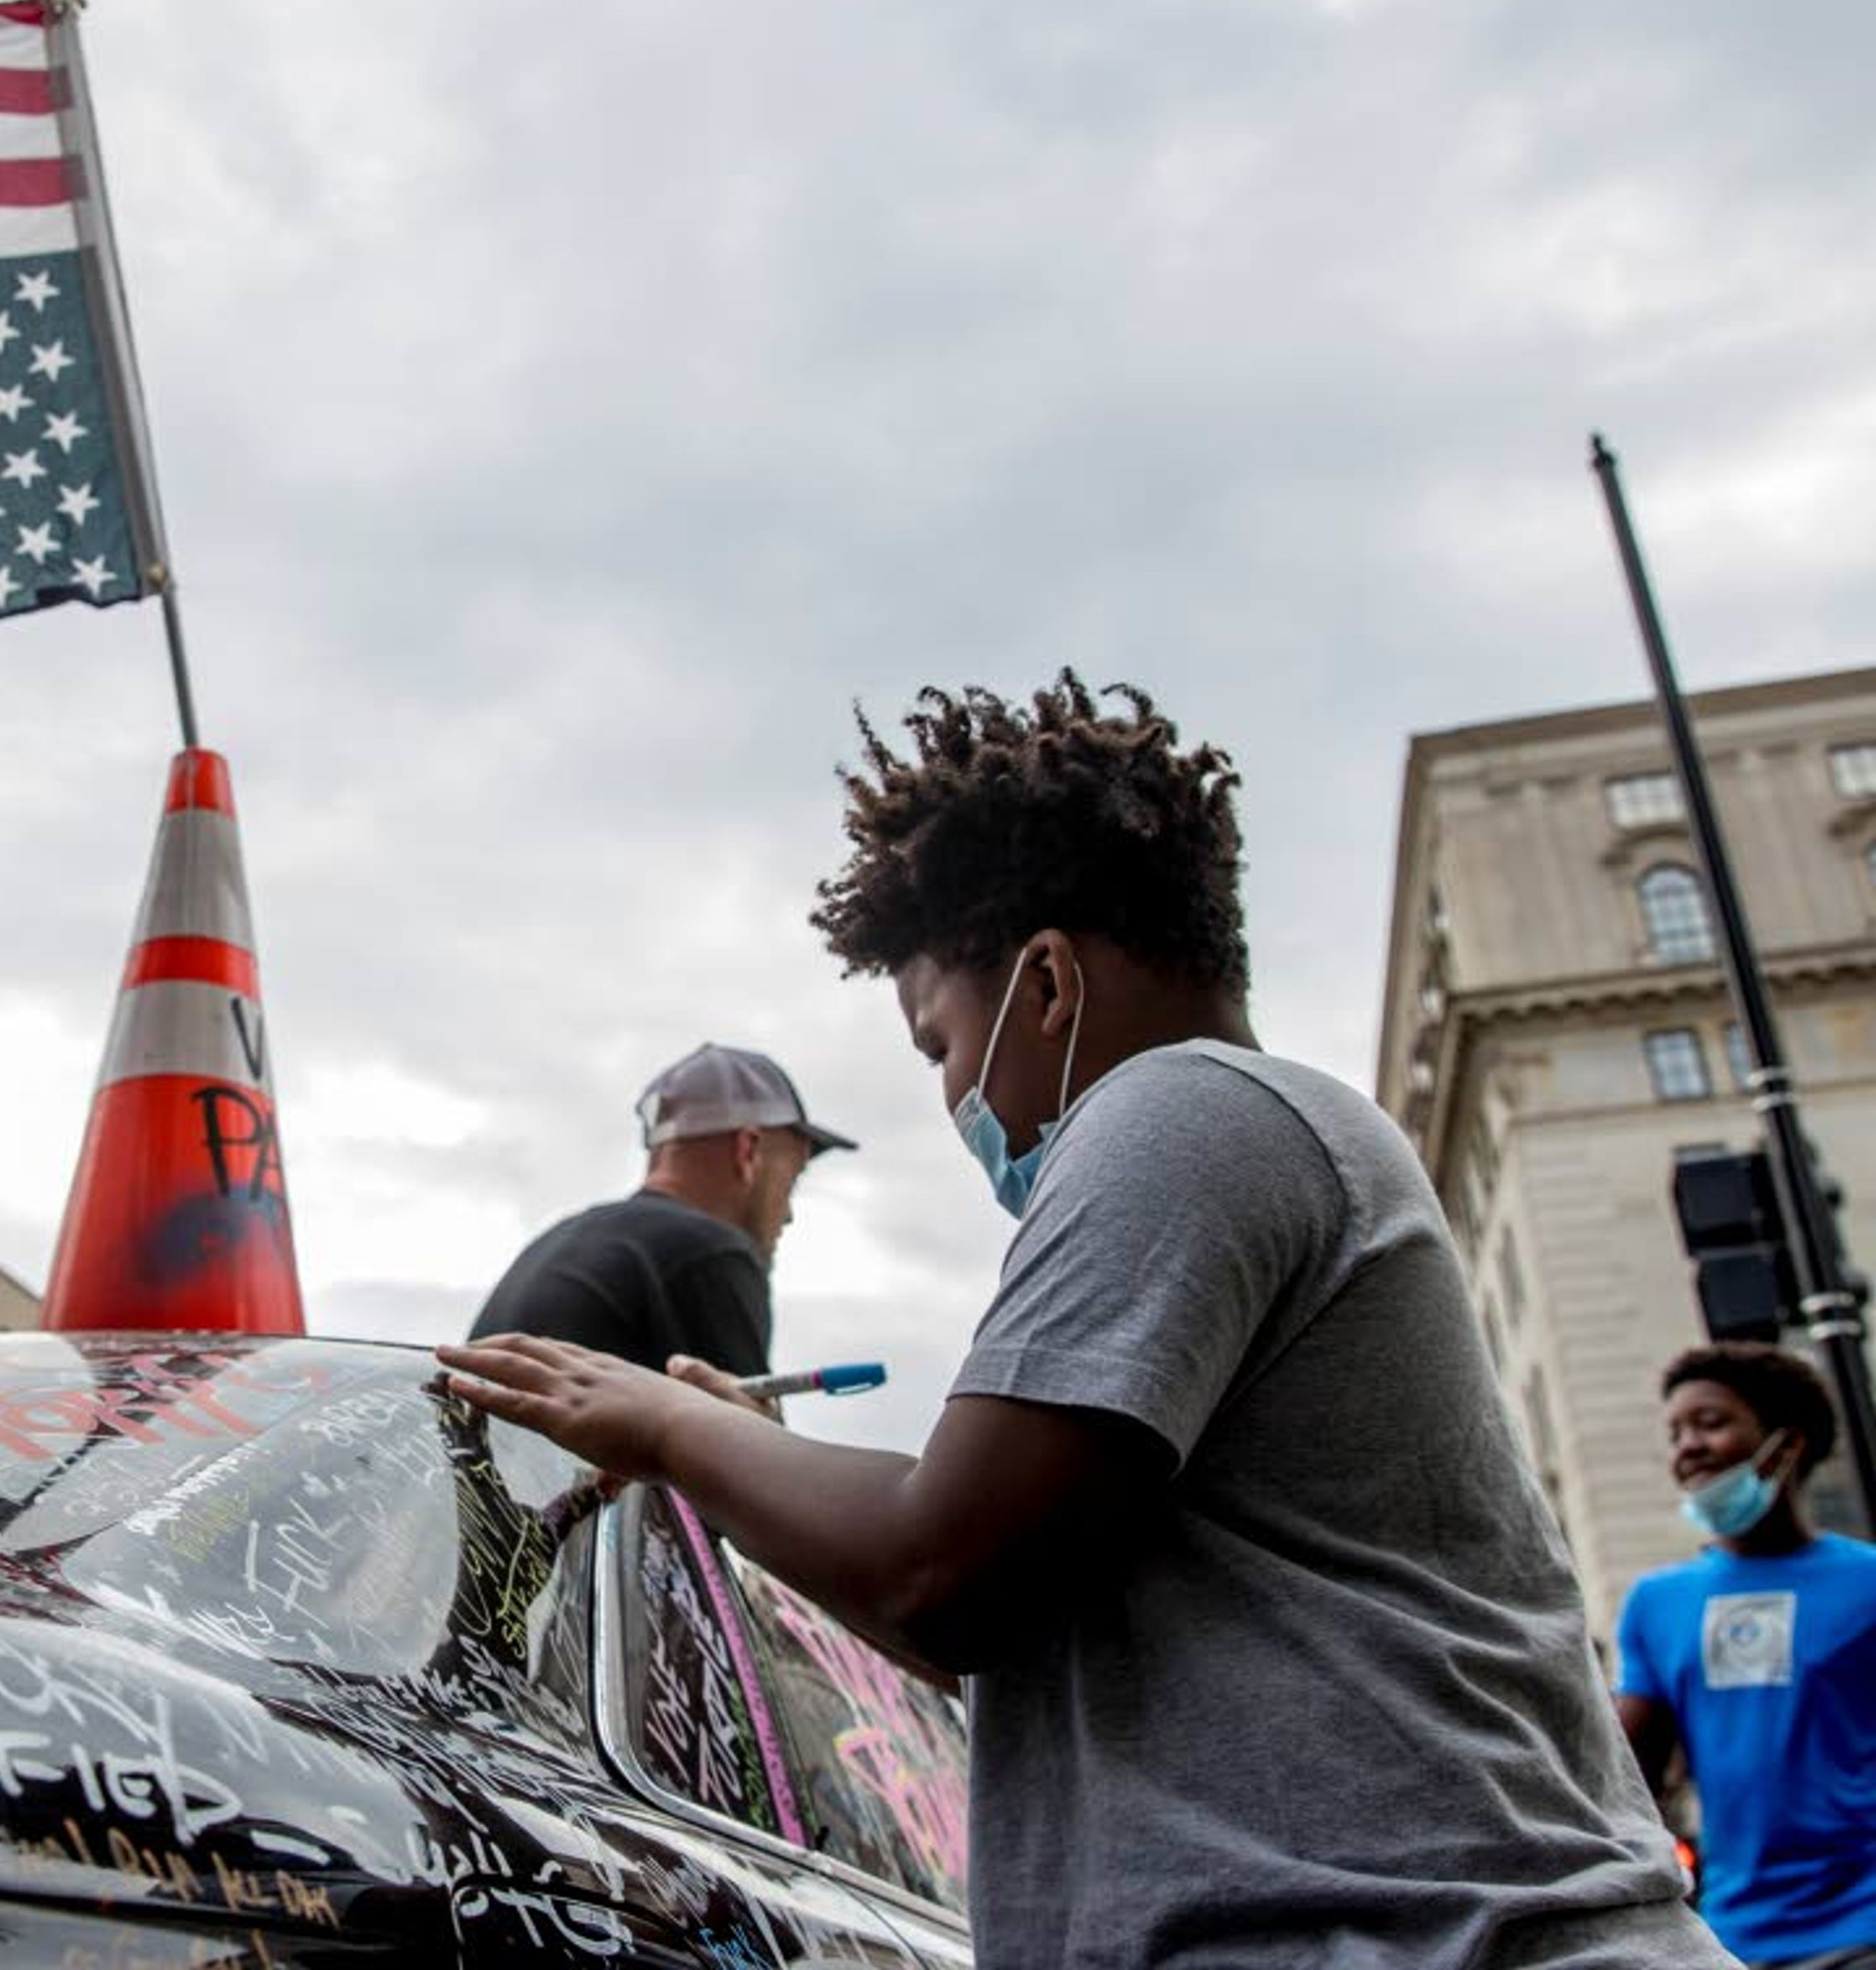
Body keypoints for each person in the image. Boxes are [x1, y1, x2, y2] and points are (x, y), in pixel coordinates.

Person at [440, 674, 1731, 1967]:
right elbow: (1011, 1628)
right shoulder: (1259, 1133)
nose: (953, 1095)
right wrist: (743, 1453)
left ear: (1047, 985)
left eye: (939, 1043)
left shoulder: (1181, 1113)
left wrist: (667, 1427)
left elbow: (937, 1572)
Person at [1616, 1342, 1876, 1968]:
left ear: (1784, 1446)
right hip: (1733, 1940)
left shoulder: (1868, 1584)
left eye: (1711, 1424)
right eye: (1676, 1432)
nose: (1687, 1448)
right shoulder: (1656, 1603)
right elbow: (1630, 1783)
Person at [465, 1042, 849, 1377]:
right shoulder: (707, 1251)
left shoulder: (557, 1241)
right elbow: (753, 1452)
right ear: (747, 1150)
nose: (788, 1215)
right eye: (791, 1181)